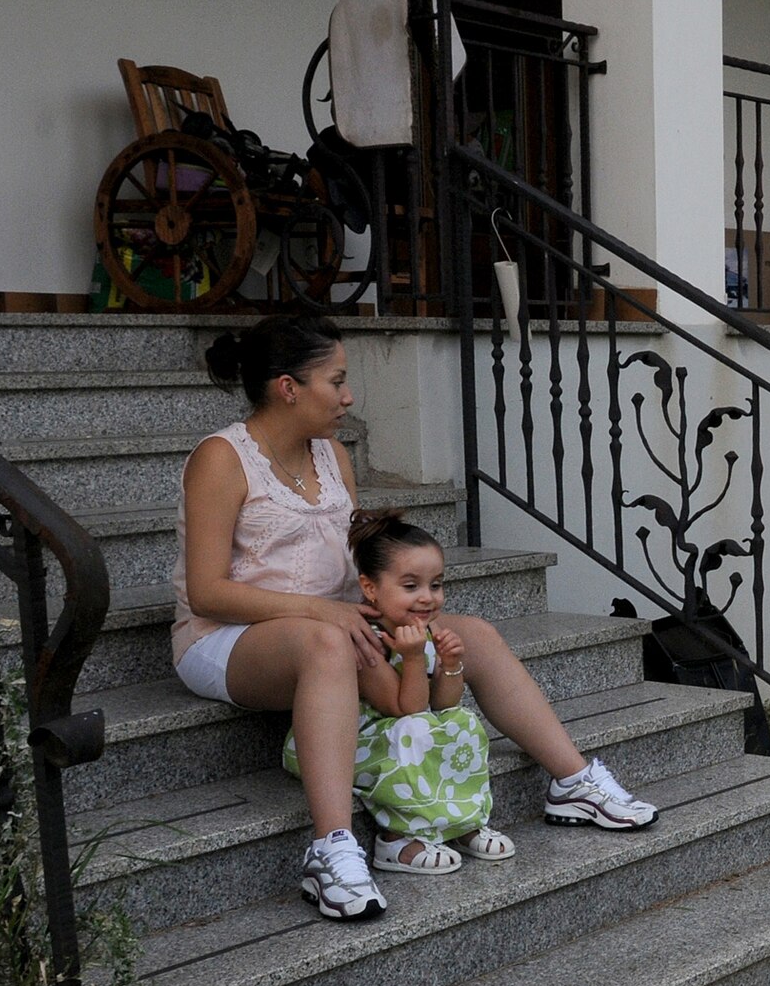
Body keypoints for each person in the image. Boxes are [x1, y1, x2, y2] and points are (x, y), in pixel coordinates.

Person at [174, 313, 658, 922]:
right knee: (326, 645)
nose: (349, 397)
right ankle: (331, 850)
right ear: (288, 387)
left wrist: (392, 610)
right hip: (227, 639)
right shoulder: (222, 458)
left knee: (472, 633)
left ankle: (574, 782)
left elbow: (353, 565)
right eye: (337, 381)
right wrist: (330, 614)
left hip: (333, 621)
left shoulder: (329, 457)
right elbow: (206, 592)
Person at [282, 509, 516, 876]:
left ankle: (461, 821)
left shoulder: (421, 631)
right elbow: (405, 708)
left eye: (435, 585)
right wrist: (410, 658)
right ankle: (397, 838)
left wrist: (451, 664)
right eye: (411, 587)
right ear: (371, 588)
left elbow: (442, 703)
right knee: (416, 731)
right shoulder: (367, 641)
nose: (427, 598)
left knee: (463, 722)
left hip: (400, 731)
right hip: (355, 741)